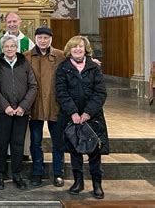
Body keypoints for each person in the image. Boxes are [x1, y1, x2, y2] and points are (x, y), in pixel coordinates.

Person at [55, 35, 109, 199]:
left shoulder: (94, 68)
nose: (77, 49)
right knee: (74, 151)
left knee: (94, 152)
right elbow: (61, 92)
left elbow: (100, 93)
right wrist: (73, 113)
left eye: (80, 46)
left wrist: (87, 113)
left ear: (86, 49)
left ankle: (97, 184)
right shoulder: (63, 68)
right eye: (74, 47)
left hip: (92, 117)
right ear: (69, 50)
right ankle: (78, 181)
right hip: (71, 117)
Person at [0, 34, 37, 191]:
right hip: (2, 111)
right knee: (2, 143)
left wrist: (23, 107)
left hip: (21, 112)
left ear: (16, 47)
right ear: (2, 48)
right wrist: (5, 106)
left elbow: (33, 86)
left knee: (18, 144)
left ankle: (17, 175)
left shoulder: (24, 63)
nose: (9, 49)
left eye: (12, 46)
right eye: (6, 46)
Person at [24, 27, 66, 187]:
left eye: (46, 38)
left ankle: (58, 173)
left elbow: (78, 59)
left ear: (51, 40)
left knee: (58, 142)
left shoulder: (61, 56)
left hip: (55, 104)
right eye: (40, 37)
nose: (43, 41)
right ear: (35, 38)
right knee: (35, 142)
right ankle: (37, 172)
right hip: (34, 104)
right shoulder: (27, 56)